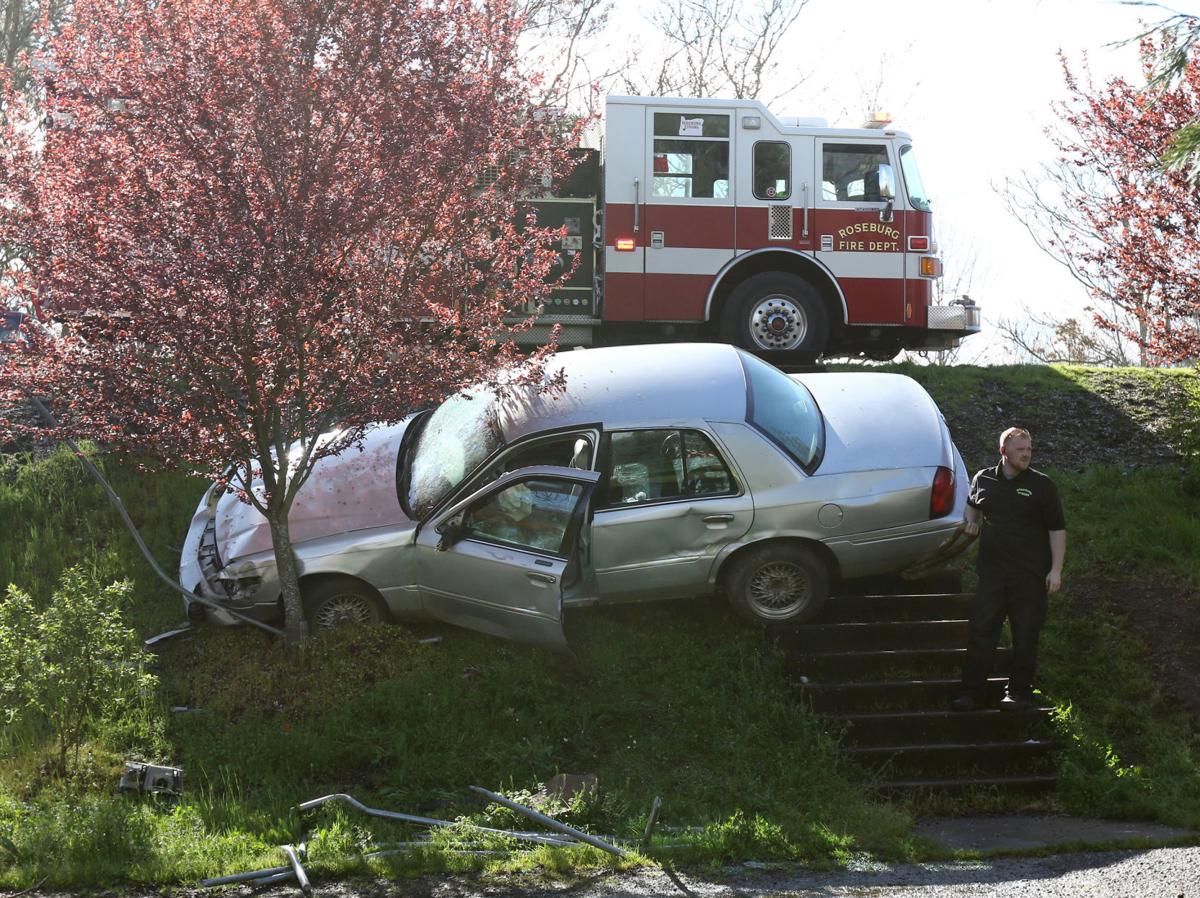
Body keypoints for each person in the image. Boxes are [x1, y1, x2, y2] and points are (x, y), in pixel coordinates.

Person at [952, 427, 1066, 712]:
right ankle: (971, 692)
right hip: (991, 573)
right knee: (981, 630)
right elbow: (972, 508)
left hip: (1029, 575)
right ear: (1003, 451)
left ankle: (1018, 693)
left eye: (1029, 450)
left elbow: (1057, 530)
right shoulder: (984, 478)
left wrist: (1056, 570)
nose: (1027, 454)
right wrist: (971, 523)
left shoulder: (1042, 486)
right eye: (1020, 450)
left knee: (1026, 633)